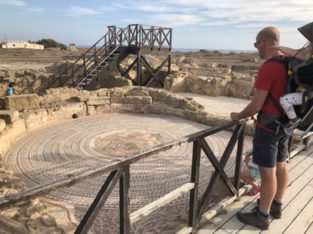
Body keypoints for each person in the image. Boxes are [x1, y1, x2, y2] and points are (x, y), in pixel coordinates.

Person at [230, 26, 289, 230]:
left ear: (264, 42)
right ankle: (276, 205)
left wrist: (238, 116)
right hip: (284, 124)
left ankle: (262, 215)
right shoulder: (287, 60)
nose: (257, 49)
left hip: (268, 127)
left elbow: (256, 105)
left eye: (257, 44)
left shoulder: (269, 66)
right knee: (281, 166)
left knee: (267, 172)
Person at [275, 43, 313, 134]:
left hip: (308, 95)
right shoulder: (308, 59)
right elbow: (293, 52)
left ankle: (293, 120)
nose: (306, 46)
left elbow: (294, 52)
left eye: (310, 44)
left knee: (285, 100)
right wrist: (279, 47)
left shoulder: (309, 61)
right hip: (306, 94)